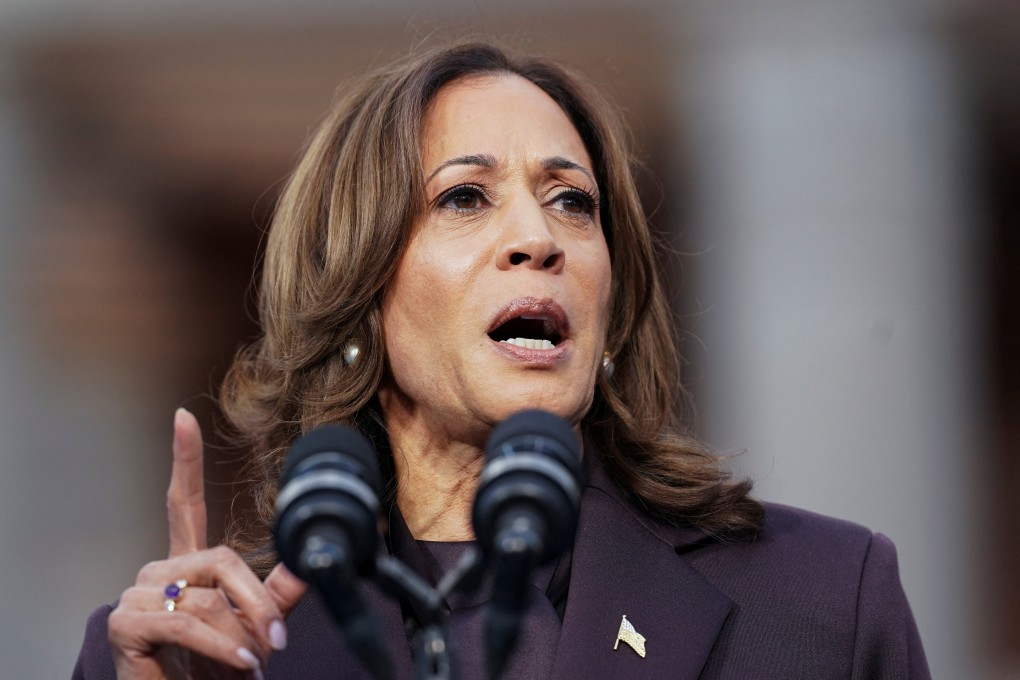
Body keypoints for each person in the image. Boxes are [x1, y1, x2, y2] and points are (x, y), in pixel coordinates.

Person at [72, 41, 929, 679]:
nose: (537, 238)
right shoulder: (203, 650)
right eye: (465, 197)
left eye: (572, 202)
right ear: (361, 292)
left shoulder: (825, 603)